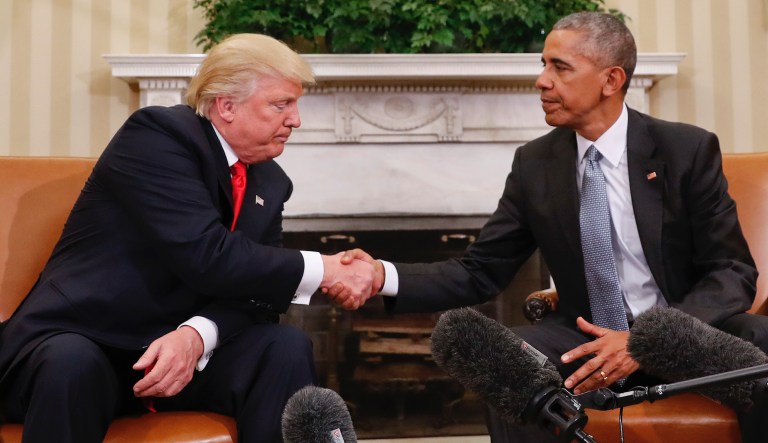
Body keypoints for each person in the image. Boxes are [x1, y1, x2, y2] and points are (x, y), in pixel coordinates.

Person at [333, 11, 768, 442]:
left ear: (611, 80)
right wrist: (380, 276)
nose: (542, 80)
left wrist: (646, 340)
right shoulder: (535, 164)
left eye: (559, 67)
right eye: (543, 65)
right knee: (504, 361)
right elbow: (481, 270)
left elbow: (732, 272)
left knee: (759, 340)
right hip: (584, 338)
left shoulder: (685, 150)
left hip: (684, 330)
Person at [0, 33, 378, 443]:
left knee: (283, 346)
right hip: (89, 341)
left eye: (295, 104)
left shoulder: (270, 181)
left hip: (177, 359)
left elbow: (259, 297)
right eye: (281, 104)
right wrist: (325, 267)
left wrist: (196, 336)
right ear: (226, 105)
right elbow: (207, 253)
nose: (296, 119)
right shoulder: (158, 136)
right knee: (71, 361)